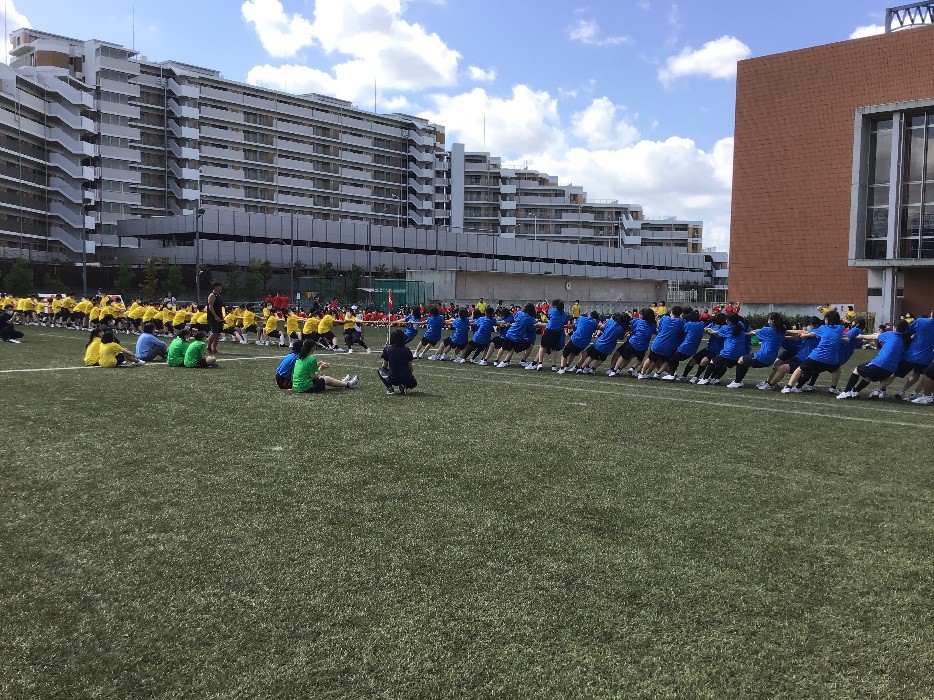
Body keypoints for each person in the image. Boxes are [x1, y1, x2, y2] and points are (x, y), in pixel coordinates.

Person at [836, 321, 912, 399]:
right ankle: (855, 391)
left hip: (880, 364)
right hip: (890, 370)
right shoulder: (906, 340)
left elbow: (874, 337)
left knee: (857, 370)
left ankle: (846, 392)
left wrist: (861, 336)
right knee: (869, 376)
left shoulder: (891, 334)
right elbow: (878, 336)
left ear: (895, 328)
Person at [726, 312, 787, 388]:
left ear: (772, 321)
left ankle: (737, 382)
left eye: (769, 319)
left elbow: (753, 333)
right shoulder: (782, 329)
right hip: (772, 358)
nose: (768, 321)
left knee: (741, 360)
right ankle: (739, 381)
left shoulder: (768, 330)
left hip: (762, 357)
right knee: (746, 360)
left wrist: (743, 334)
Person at [292, 338, 358, 393]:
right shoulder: (311, 359)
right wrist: (321, 368)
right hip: (305, 388)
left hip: (297, 386)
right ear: (312, 348)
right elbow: (313, 377)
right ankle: (348, 385)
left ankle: (343, 383)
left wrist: (317, 365)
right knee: (327, 378)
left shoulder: (300, 357)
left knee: (324, 378)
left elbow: (305, 369)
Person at [527, 299, 568, 371]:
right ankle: (553, 366)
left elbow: (549, 317)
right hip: (557, 333)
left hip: (549, 331)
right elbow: (565, 322)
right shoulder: (564, 314)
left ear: (555, 305)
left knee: (542, 347)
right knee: (553, 349)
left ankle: (539, 364)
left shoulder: (553, 310)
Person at [378, 329, 418, 394]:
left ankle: (390, 388)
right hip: (406, 378)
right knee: (413, 383)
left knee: (380, 370)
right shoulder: (407, 350)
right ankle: (404, 385)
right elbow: (410, 368)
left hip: (392, 378)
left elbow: (384, 365)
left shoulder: (388, 348)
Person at [206, 282, 224, 355]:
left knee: (218, 333)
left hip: (219, 316)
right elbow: (210, 306)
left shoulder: (218, 296)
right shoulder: (212, 295)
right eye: (219, 287)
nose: (221, 288)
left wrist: (221, 317)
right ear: (215, 287)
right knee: (214, 332)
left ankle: (214, 348)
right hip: (213, 317)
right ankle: (208, 346)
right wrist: (215, 316)